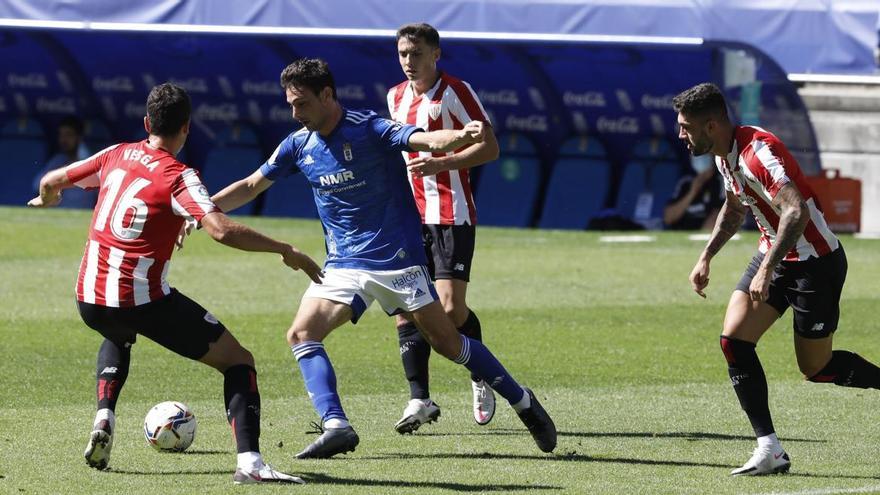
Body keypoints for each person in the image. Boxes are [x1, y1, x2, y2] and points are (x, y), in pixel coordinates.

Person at [208, 58, 556, 459]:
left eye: (301, 103)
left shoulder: (369, 127)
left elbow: (425, 140)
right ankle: (336, 425)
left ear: (326, 95)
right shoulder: (297, 144)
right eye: (290, 104)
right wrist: (204, 209)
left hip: (398, 260)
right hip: (343, 264)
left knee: (448, 343)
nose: (294, 113)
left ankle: (522, 401)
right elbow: (251, 185)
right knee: (302, 334)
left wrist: (461, 134)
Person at [28, 83, 323, 484]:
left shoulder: (116, 154)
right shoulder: (180, 177)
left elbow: (51, 180)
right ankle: (251, 465)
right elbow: (221, 230)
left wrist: (47, 198)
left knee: (118, 330)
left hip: (89, 298)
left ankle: (104, 415)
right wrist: (284, 249)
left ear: (147, 122)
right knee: (239, 361)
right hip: (141, 300)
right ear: (186, 128)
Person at [674, 82, 880, 476]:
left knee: (816, 369)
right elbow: (735, 208)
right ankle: (769, 448)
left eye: (686, 127)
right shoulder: (724, 155)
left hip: (816, 263)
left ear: (712, 125)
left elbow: (796, 211)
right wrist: (706, 256)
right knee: (733, 339)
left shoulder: (758, 154)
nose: (681, 135)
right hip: (776, 254)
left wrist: (767, 267)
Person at [386, 23, 500, 433]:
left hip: (451, 213)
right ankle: (419, 398)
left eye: (416, 54)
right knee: (405, 307)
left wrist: (442, 163)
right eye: (402, 54)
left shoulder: (455, 92)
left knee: (449, 311)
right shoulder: (395, 97)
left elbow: (489, 147)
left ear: (436, 55)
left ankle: (480, 372)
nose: (408, 62)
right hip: (407, 217)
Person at [33, 116, 98, 209]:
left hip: (85, 217)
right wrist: (60, 175)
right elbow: (36, 185)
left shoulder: (92, 161)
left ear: (79, 137)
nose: (64, 140)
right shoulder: (58, 160)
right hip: (57, 217)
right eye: (61, 135)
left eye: (68, 135)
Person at [663, 154, 725, 230]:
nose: (701, 157)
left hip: (704, 235)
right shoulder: (685, 182)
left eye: (705, 155)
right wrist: (692, 192)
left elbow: (719, 217)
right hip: (682, 232)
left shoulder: (721, 182)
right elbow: (668, 218)